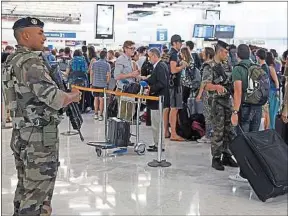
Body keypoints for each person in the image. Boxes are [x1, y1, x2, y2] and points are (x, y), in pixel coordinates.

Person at [3, 17, 81, 215]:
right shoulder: (31, 62)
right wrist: (73, 96)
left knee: (25, 189)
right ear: (25, 35)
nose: (44, 38)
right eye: (40, 33)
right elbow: (54, 98)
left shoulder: (12, 60)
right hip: (38, 138)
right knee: (38, 195)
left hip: (22, 132)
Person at [229, 44, 264, 182]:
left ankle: (244, 173)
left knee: (243, 142)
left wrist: (235, 112)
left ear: (237, 55)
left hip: (244, 109)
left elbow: (238, 92)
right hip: (257, 108)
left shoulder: (238, 69)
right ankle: (254, 171)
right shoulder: (256, 67)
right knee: (253, 140)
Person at [202, 40, 238, 171]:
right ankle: (216, 158)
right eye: (225, 52)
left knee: (229, 130)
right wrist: (216, 86)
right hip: (216, 103)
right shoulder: (209, 66)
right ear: (219, 51)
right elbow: (206, 85)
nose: (227, 54)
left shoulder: (227, 65)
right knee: (218, 131)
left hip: (227, 102)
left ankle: (227, 155)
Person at [142, 48, 170, 152]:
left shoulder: (160, 66)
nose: (149, 59)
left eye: (149, 56)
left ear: (154, 55)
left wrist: (151, 89)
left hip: (158, 99)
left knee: (157, 123)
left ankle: (159, 145)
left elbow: (162, 83)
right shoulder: (159, 66)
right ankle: (157, 143)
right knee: (155, 123)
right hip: (156, 100)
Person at [168, 35, 188, 141]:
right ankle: (174, 133)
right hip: (174, 85)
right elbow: (173, 70)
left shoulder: (170, 53)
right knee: (174, 109)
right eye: (179, 42)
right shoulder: (174, 54)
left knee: (171, 109)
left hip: (171, 85)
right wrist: (182, 66)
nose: (180, 44)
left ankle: (167, 132)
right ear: (174, 43)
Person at [114, 40, 140, 121]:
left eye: (134, 48)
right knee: (123, 116)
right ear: (125, 49)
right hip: (123, 90)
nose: (133, 50)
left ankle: (126, 132)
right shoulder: (121, 59)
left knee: (129, 115)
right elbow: (117, 76)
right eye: (131, 48)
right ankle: (121, 133)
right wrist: (131, 74)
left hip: (130, 91)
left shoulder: (131, 61)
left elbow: (131, 76)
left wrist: (139, 76)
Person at [196, 47, 215, 144]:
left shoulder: (207, 65)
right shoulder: (215, 64)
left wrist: (199, 94)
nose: (201, 54)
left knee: (207, 115)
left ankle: (208, 136)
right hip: (214, 93)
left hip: (207, 93)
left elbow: (204, 81)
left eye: (203, 52)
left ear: (208, 54)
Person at [91, 51, 111, 121]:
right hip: (103, 84)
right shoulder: (107, 65)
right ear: (105, 56)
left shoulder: (94, 63)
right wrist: (107, 83)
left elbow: (92, 73)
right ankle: (101, 115)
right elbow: (109, 75)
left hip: (95, 84)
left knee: (96, 98)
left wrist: (91, 83)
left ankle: (95, 114)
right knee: (101, 99)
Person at [266, 51, 280, 129]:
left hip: (273, 91)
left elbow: (276, 81)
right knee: (269, 112)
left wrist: (277, 92)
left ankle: (272, 129)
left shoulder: (270, 68)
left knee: (272, 112)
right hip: (270, 91)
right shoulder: (268, 67)